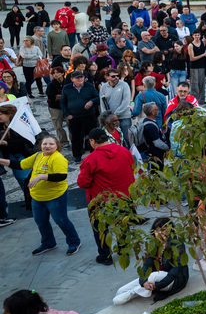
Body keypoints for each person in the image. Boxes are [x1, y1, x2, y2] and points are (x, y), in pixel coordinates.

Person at [0, 133, 79, 257]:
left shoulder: (58, 158)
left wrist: (41, 177)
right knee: (41, 221)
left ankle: (74, 242)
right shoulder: (38, 156)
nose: (47, 146)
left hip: (55, 197)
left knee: (61, 221)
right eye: (44, 144)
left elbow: (61, 176)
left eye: (51, 144)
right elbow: (20, 165)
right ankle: (48, 243)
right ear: (40, 146)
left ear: (57, 146)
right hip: (37, 197)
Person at [78, 128, 136, 264]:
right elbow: (132, 167)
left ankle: (105, 256)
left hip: (101, 202)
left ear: (92, 142)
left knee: (100, 230)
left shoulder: (90, 159)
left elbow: (82, 182)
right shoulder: (123, 151)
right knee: (123, 225)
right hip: (124, 198)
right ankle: (124, 251)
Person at [60, 71, 99, 163]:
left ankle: (94, 153)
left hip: (89, 115)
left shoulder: (89, 86)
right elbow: (62, 102)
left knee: (92, 135)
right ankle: (77, 155)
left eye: (81, 77)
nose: (80, 80)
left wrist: (92, 102)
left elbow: (97, 97)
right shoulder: (67, 88)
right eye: (77, 78)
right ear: (72, 79)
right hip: (74, 116)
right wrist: (67, 114)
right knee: (76, 137)